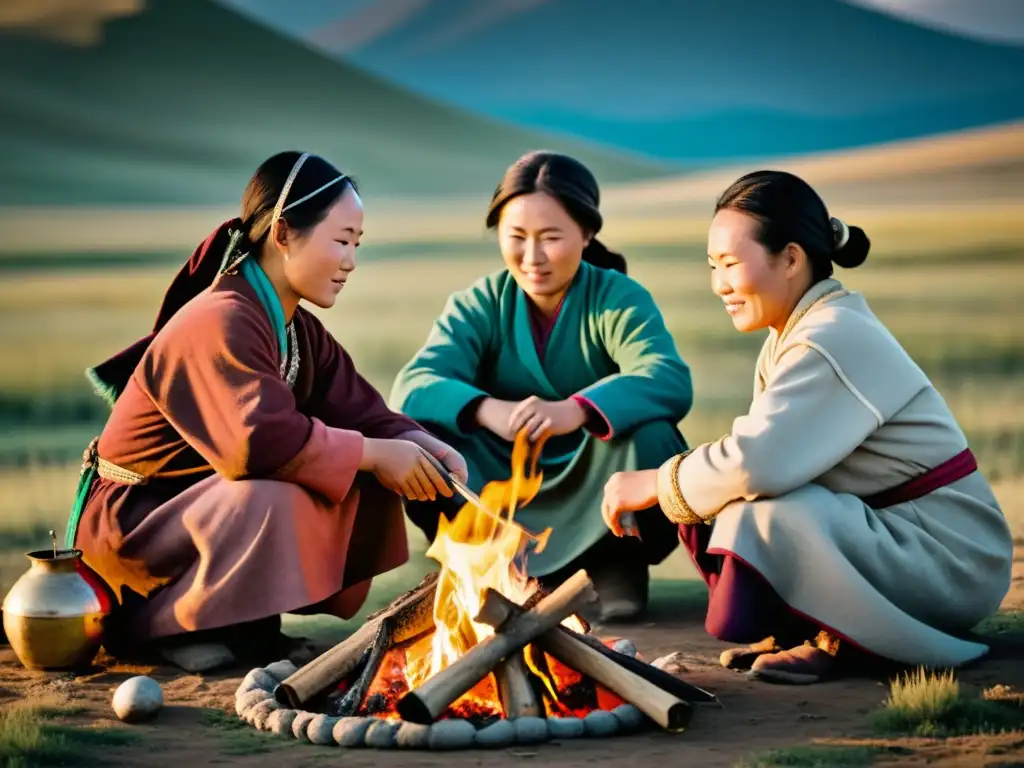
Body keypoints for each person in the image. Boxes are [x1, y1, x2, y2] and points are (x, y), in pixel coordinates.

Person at [601, 169, 1014, 683]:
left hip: (950, 559)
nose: (719, 284)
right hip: (908, 542)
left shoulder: (831, 336)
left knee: (763, 507)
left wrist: (655, 482)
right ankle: (808, 630)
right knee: (735, 498)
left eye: (730, 264)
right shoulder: (802, 331)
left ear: (791, 258)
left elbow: (757, 462)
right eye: (712, 266)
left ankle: (841, 643)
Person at [67, 151, 468, 671]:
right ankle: (171, 624)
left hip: (196, 513)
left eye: (356, 245)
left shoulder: (297, 328)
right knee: (284, 486)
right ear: (282, 234)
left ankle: (242, 625)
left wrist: (426, 448)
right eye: (341, 241)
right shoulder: (222, 318)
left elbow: (363, 411)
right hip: (137, 532)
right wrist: (373, 454)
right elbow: (256, 443)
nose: (350, 261)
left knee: (353, 465)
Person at [390, 151, 694, 623]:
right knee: (424, 439)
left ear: (587, 233)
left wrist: (577, 409)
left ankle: (616, 564)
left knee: (653, 434)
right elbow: (412, 386)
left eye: (551, 238)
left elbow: (667, 375)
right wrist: (487, 410)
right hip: (504, 479)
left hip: (596, 476)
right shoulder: (481, 302)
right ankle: (489, 569)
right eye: (516, 237)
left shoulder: (617, 297)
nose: (532, 258)